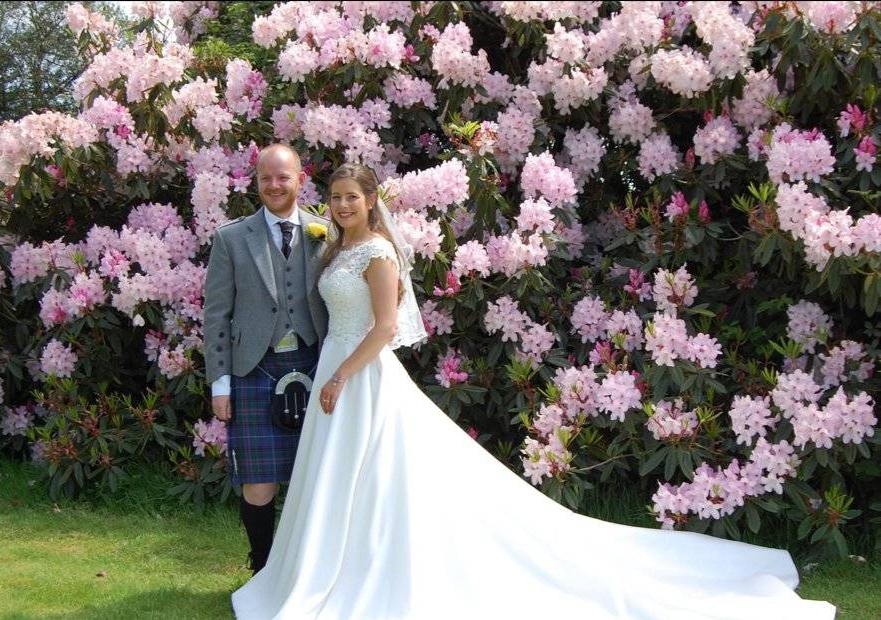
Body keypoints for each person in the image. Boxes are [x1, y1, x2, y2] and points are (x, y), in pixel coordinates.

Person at [231, 163, 835, 619]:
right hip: (337, 367)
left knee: (379, 475)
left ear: (371, 202)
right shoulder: (334, 245)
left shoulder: (379, 252)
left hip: (358, 374)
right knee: (340, 477)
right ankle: (327, 567)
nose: (341, 205)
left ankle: (369, 573)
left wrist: (338, 375)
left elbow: (387, 327)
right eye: (335, 197)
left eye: (351, 198)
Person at [203, 144, 330, 575]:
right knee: (259, 482)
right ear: (256, 181)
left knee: (317, 479)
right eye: (265, 178)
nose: (274, 185)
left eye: (283, 177)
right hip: (254, 369)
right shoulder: (231, 238)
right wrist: (220, 383)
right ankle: (263, 569)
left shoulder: (327, 232)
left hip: (316, 365)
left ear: (300, 179)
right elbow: (216, 314)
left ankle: (309, 570)